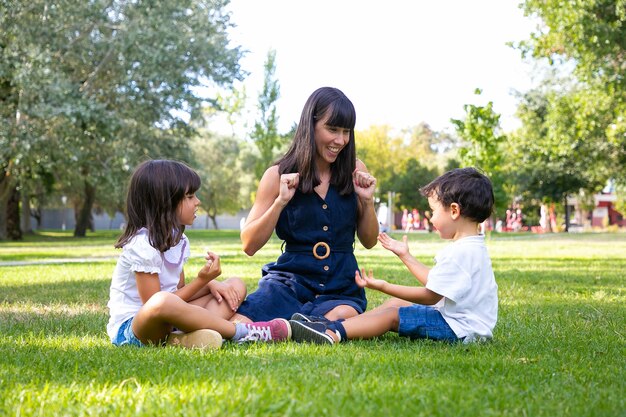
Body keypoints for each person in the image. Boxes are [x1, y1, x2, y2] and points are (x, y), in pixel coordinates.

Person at [289, 167, 498, 345]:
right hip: (466, 324)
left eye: (433, 211)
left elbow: (431, 295)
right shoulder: (472, 247)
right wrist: (405, 256)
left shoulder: (460, 252)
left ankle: (332, 334)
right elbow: (439, 283)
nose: (431, 218)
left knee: (392, 315)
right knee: (395, 303)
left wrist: (383, 285)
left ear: (454, 211)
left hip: (460, 329)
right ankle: (340, 325)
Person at [106, 159, 291, 350]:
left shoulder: (177, 240)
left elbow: (179, 293)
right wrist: (203, 281)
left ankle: (183, 338)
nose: (197, 202)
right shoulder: (142, 245)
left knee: (234, 286)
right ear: (165, 202)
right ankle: (242, 332)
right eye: (190, 196)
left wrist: (210, 283)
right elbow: (154, 306)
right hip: (134, 329)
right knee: (162, 301)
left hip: (170, 318)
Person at [231, 87, 379, 324]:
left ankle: (297, 325)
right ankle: (298, 324)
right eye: (332, 129)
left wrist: (367, 200)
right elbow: (249, 245)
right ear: (311, 125)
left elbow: (370, 241)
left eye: (346, 131)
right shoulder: (276, 175)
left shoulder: (355, 169)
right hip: (289, 283)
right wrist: (280, 202)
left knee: (344, 314)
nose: (340, 141)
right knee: (242, 322)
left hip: (340, 286)